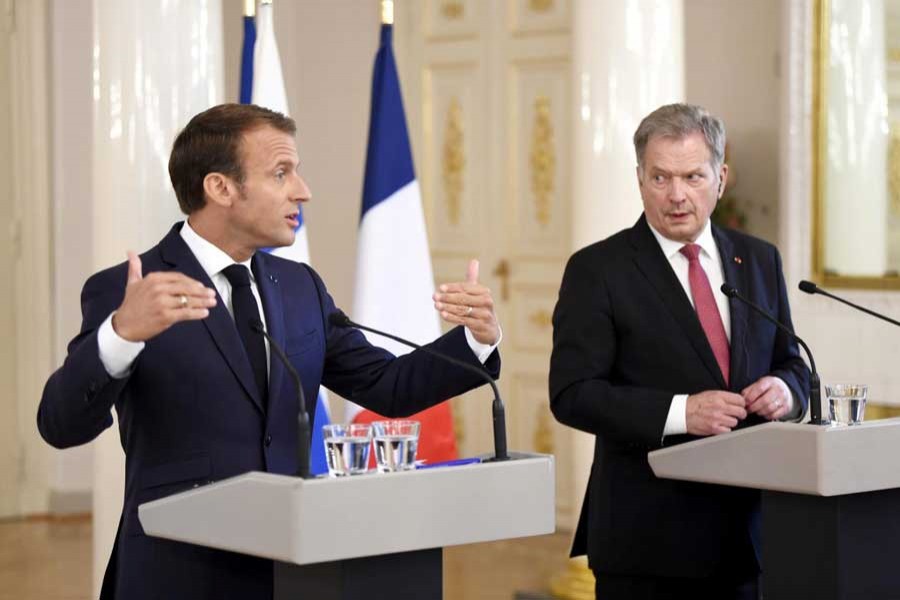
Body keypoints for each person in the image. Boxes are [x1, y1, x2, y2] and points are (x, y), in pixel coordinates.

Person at [37, 103, 501, 600]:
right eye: (281, 173)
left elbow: (386, 386)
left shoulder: (299, 287)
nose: (302, 190)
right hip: (178, 570)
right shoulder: (128, 291)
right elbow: (61, 425)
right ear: (220, 188)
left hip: (294, 568)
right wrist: (120, 335)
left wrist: (476, 340)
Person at [549, 103, 809, 600]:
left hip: (751, 539)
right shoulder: (598, 269)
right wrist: (681, 412)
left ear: (721, 177)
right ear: (640, 179)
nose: (676, 195)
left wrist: (786, 392)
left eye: (693, 176)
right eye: (660, 177)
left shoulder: (758, 259)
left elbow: (793, 363)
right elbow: (572, 393)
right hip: (648, 543)